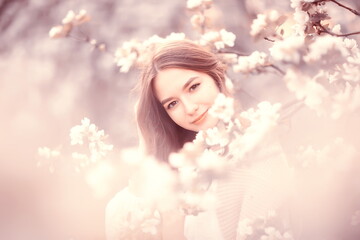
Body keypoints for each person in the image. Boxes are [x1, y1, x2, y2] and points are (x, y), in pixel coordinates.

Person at [106, 39, 293, 240]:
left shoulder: (259, 151)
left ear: (216, 77)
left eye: (193, 87)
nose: (189, 108)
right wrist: (146, 142)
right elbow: (121, 225)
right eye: (172, 104)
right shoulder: (191, 163)